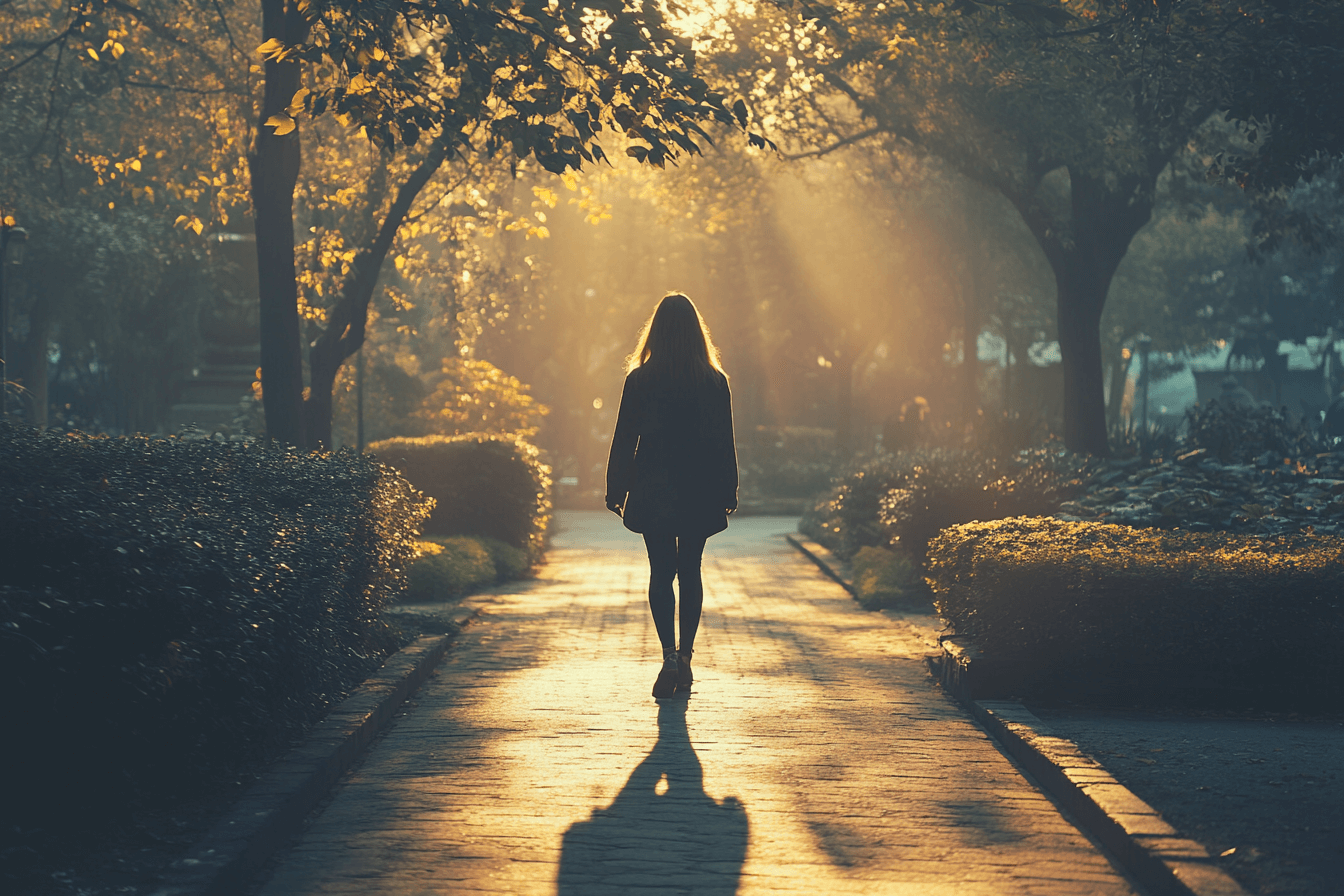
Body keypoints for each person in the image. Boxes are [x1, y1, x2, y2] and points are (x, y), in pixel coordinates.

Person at [606, 293, 738, 699]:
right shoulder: (714, 382)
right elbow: (723, 442)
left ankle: (666, 655)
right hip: (698, 487)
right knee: (691, 569)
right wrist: (728, 488)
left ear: (656, 332)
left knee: (661, 571)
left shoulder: (640, 380)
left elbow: (625, 438)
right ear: (697, 333)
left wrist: (616, 488)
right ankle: (686, 657)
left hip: (654, 485)